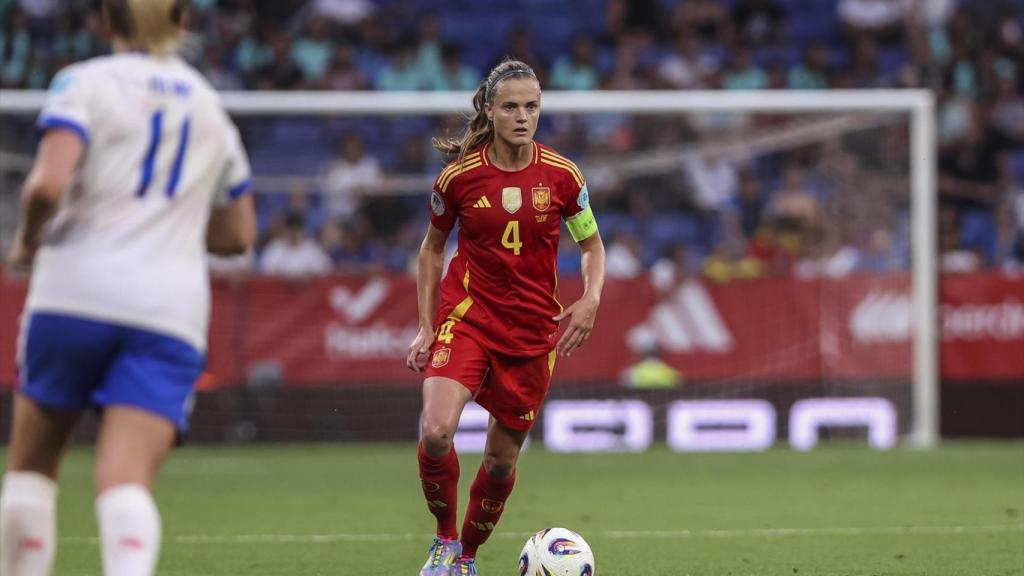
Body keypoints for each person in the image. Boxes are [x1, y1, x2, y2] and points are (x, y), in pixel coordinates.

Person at [0, 2, 255, 575]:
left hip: (74, 292)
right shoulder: (209, 107)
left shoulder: (82, 83)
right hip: (168, 309)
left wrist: (27, 241)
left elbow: (46, 186)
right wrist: (171, 223)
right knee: (125, 482)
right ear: (184, 23)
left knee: (32, 469)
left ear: (105, 22)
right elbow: (239, 234)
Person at [405, 59, 606, 576]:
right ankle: (444, 541)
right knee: (436, 431)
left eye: (531, 106)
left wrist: (591, 297)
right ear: (490, 111)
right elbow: (431, 249)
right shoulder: (459, 178)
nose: (522, 116)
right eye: (511, 106)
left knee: (500, 462)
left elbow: (592, 245)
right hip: (469, 318)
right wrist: (427, 326)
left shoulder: (562, 176)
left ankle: (467, 559)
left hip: (533, 334)